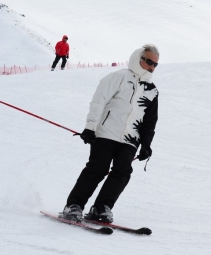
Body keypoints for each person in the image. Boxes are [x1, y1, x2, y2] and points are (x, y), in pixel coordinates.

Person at [60, 44, 160, 223]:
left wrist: (146, 145)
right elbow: (99, 101)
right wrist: (90, 127)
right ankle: (74, 206)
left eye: (155, 64)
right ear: (139, 58)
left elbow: (150, 122)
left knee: (122, 173)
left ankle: (101, 208)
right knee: (97, 170)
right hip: (106, 133)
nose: (152, 67)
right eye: (149, 61)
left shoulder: (152, 91)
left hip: (130, 139)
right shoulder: (119, 77)